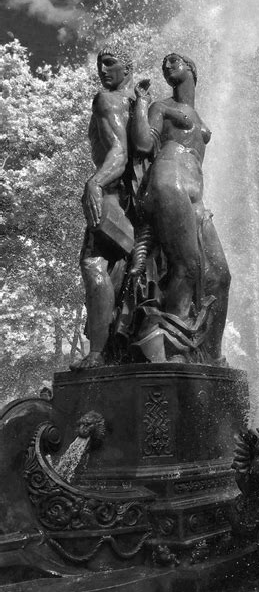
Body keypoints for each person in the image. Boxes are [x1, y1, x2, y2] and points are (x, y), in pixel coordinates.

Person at [131, 53, 230, 364]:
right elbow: (145, 146)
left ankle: (211, 355)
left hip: (195, 193)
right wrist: (140, 105)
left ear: (191, 69)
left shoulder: (197, 116)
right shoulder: (162, 107)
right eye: (164, 64)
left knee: (220, 275)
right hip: (168, 178)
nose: (166, 66)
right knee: (186, 266)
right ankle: (175, 351)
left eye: (174, 61)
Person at [72, 45, 136, 369]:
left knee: (93, 266)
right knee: (118, 278)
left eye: (110, 63)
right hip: (132, 203)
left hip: (111, 197)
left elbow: (119, 152)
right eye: (100, 64)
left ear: (128, 67)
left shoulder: (107, 99)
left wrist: (95, 182)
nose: (103, 70)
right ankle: (110, 350)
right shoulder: (134, 104)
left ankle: (97, 354)